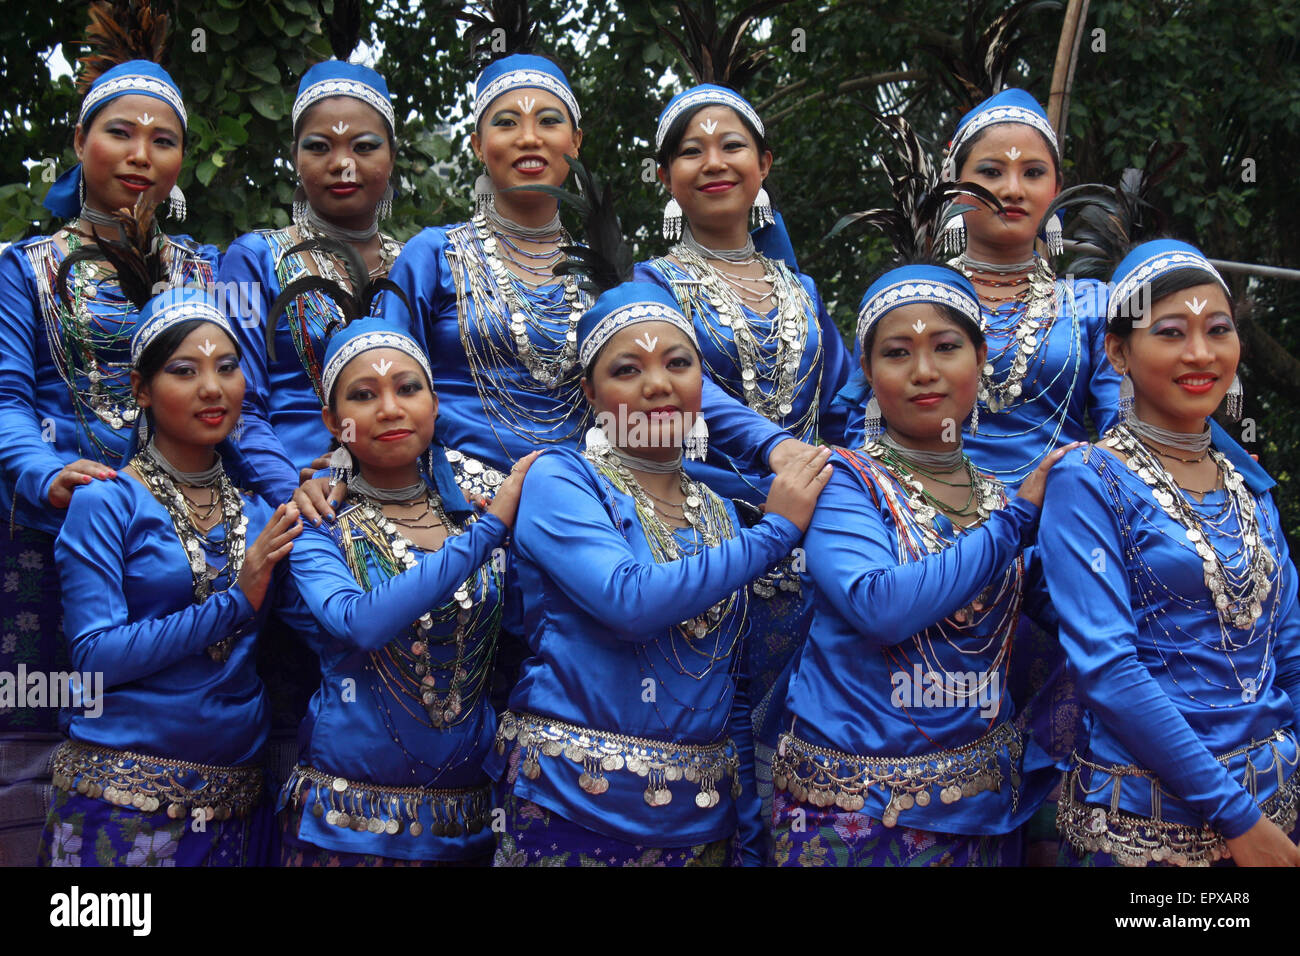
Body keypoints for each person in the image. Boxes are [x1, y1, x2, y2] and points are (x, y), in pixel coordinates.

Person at [485, 175, 831, 865]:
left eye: (677, 362)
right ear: (590, 392)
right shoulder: (561, 480)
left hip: (697, 823)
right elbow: (629, 600)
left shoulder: (717, 507)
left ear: (702, 383)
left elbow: (727, 683)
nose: (656, 384)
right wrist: (778, 532)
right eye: (626, 369)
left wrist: (748, 827)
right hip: (570, 808)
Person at [771, 116, 1073, 866]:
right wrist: (1019, 522)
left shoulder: (1001, 491)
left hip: (980, 811)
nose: (925, 371)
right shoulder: (844, 480)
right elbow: (881, 605)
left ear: (980, 363)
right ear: (870, 376)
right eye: (898, 353)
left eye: (946, 348)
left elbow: (1057, 615)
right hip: (853, 817)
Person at [0, 2, 216, 864]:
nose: (141, 155)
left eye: (162, 140)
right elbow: (7, 395)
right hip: (54, 527)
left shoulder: (208, 270)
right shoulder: (26, 267)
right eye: (120, 133)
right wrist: (43, 473)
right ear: (82, 143)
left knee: (180, 716)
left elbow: (239, 400)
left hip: (185, 529)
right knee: (48, 718)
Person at [1040, 211, 1300, 865]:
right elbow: (1108, 671)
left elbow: (1289, 652)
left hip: (1278, 808)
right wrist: (1240, 820)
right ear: (1118, 351)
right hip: (1146, 823)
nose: (1201, 354)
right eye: (1171, 333)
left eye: (1218, 330)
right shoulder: (1089, 480)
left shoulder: (1249, 485)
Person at [40, 287, 305, 866]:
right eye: (185, 371)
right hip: (119, 798)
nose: (212, 388)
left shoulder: (262, 511)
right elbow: (94, 660)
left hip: (237, 803)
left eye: (227, 368)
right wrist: (236, 601)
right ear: (141, 389)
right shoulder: (107, 501)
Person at [278, 317, 537, 866]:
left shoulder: (481, 500)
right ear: (332, 420)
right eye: (364, 395)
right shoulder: (316, 522)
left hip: (469, 818)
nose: (390, 408)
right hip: (349, 823)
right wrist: (488, 535)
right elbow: (361, 624)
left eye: (408, 388)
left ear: (435, 402)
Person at [219, 53, 405, 505]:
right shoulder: (252, 259)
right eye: (319, 146)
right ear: (294, 157)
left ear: (392, 157)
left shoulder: (417, 266)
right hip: (291, 494)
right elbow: (236, 404)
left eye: (363, 146)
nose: (342, 164)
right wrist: (290, 489)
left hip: (406, 491)